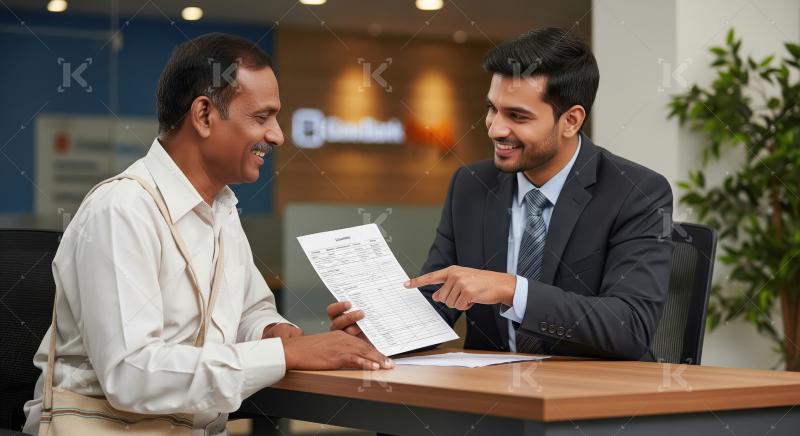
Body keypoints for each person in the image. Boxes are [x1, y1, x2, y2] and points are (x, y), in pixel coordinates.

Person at [23, 33, 392, 435]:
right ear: (203, 115)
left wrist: (274, 332)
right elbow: (131, 375)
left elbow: (251, 312)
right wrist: (283, 353)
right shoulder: (122, 210)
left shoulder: (221, 211)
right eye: (262, 117)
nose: (278, 136)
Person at [328, 27, 673, 361]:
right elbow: (440, 299)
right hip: (495, 397)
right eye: (493, 108)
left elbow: (631, 326)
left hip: (594, 403)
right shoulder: (470, 184)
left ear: (571, 120)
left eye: (517, 116)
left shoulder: (637, 193)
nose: (495, 128)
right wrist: (380, 326)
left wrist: (512, 290)